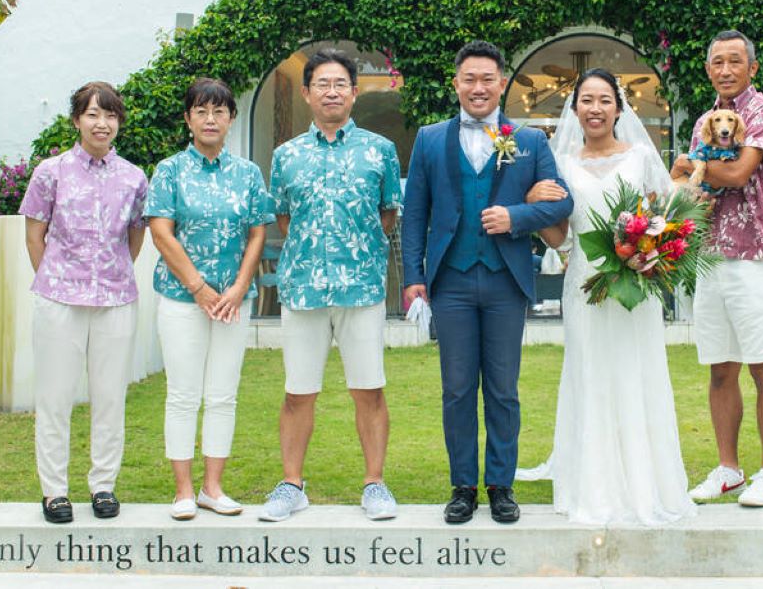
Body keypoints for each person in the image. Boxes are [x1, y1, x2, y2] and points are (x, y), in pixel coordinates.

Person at [401, 40, 573, 525]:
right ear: (456, 83)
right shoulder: (431, 139)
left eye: (487, 79)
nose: (478, 88)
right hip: (451, 282)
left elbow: (562, 204)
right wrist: (414, 277)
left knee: (502, 388)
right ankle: (462, 487)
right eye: (469, 79)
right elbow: (415, 214)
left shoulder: (530, 141)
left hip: (504, 283)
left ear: (502, 84)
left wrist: (516, 216)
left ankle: (501, 485)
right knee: (456, 388)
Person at [516, 69, 697, 526]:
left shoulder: (639, 157)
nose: (595, 109)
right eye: (586, 100)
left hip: (638, 286)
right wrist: (535, 203)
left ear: (619, 107)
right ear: (574, 108)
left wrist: (651, 254)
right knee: (590, 375)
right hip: (585, 286)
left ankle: (644, 484)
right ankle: (593, 487)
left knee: (638, 374)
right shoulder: (560, 164)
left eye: (604, 100)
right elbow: (559, 237)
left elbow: (667, 217)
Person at [259, 50, 403, 523]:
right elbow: (284, 216)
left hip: (361, 286)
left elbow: (387, 214)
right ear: (307, 93)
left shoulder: (379, 151)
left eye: (341, 83)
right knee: (298, 391)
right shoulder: (286, 156)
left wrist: (355, 248)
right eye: (322, 83)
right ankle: (292, 484)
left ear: (355, 91)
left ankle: (375, 484)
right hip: (303, 288)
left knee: (369, 389)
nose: (332, 91)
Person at [671, 30, 763, 508]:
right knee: (721, 367)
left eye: (734, 61)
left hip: (756, 254)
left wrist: (687, 164)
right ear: (708, 69)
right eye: (717, 61)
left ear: (752, 68)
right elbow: (687, 186)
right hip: (712, 254)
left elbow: (740, 173)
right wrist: (686, 172)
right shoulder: (706, 119)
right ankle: (728, 469)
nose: (725, 69)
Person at [145, 78, 274, 521]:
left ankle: (212, 487)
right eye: (201, 111)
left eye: (219, 111)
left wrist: (238, 288)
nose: (211, 119)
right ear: (188, 118)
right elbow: (161, 232)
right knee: (183, 394)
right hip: (183, 299)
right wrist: (199, 288)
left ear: (231, 119)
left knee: (222, 394)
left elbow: (258, 230)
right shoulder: (169, 171)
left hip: (234, 302)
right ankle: (182, 490)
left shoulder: (248, 173)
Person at [19, 81, 148, 524]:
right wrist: (58, 278)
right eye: (93, 114)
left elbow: (135, 238)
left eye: (110, 115)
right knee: (54, 397)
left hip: (115, 301)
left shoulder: (133, 177)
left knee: (110, 396)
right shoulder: (50, 173)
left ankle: (103, 486)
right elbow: (34, 236)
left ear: (118, 123)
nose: (102, 123)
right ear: (77, 120)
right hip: (59, 299)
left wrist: (107, 275)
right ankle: (54, 491)